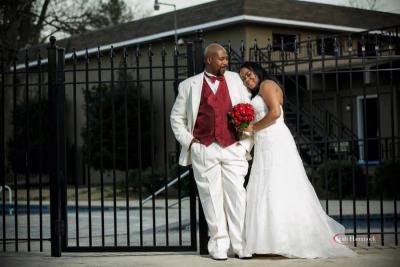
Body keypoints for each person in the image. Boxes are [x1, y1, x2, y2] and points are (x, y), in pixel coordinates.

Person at [239, 62, 357, 258]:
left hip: (274, 140)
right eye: (243, 77)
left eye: (248, 74)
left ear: (257, 71)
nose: (247, 79)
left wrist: (252, 127)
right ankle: (267, 241)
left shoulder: (267, 85)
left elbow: (275, 113)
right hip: (265, 143)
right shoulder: (258, 91)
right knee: (267, 186)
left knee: (276, 185)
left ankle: (281, 241)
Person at [170, 44, 253, 260]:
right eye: (222, 58)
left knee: (237, 196)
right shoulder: (189, 85)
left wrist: (244, 145)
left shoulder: (235, 80)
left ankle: (241, 244)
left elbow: (248, 111)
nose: (226, 62)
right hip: (204, 149)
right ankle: (218, 245)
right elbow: (176, 118)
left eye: (226, 58)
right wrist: (191, 143)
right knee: (211, 199)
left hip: (233, 147)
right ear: (209, 60)